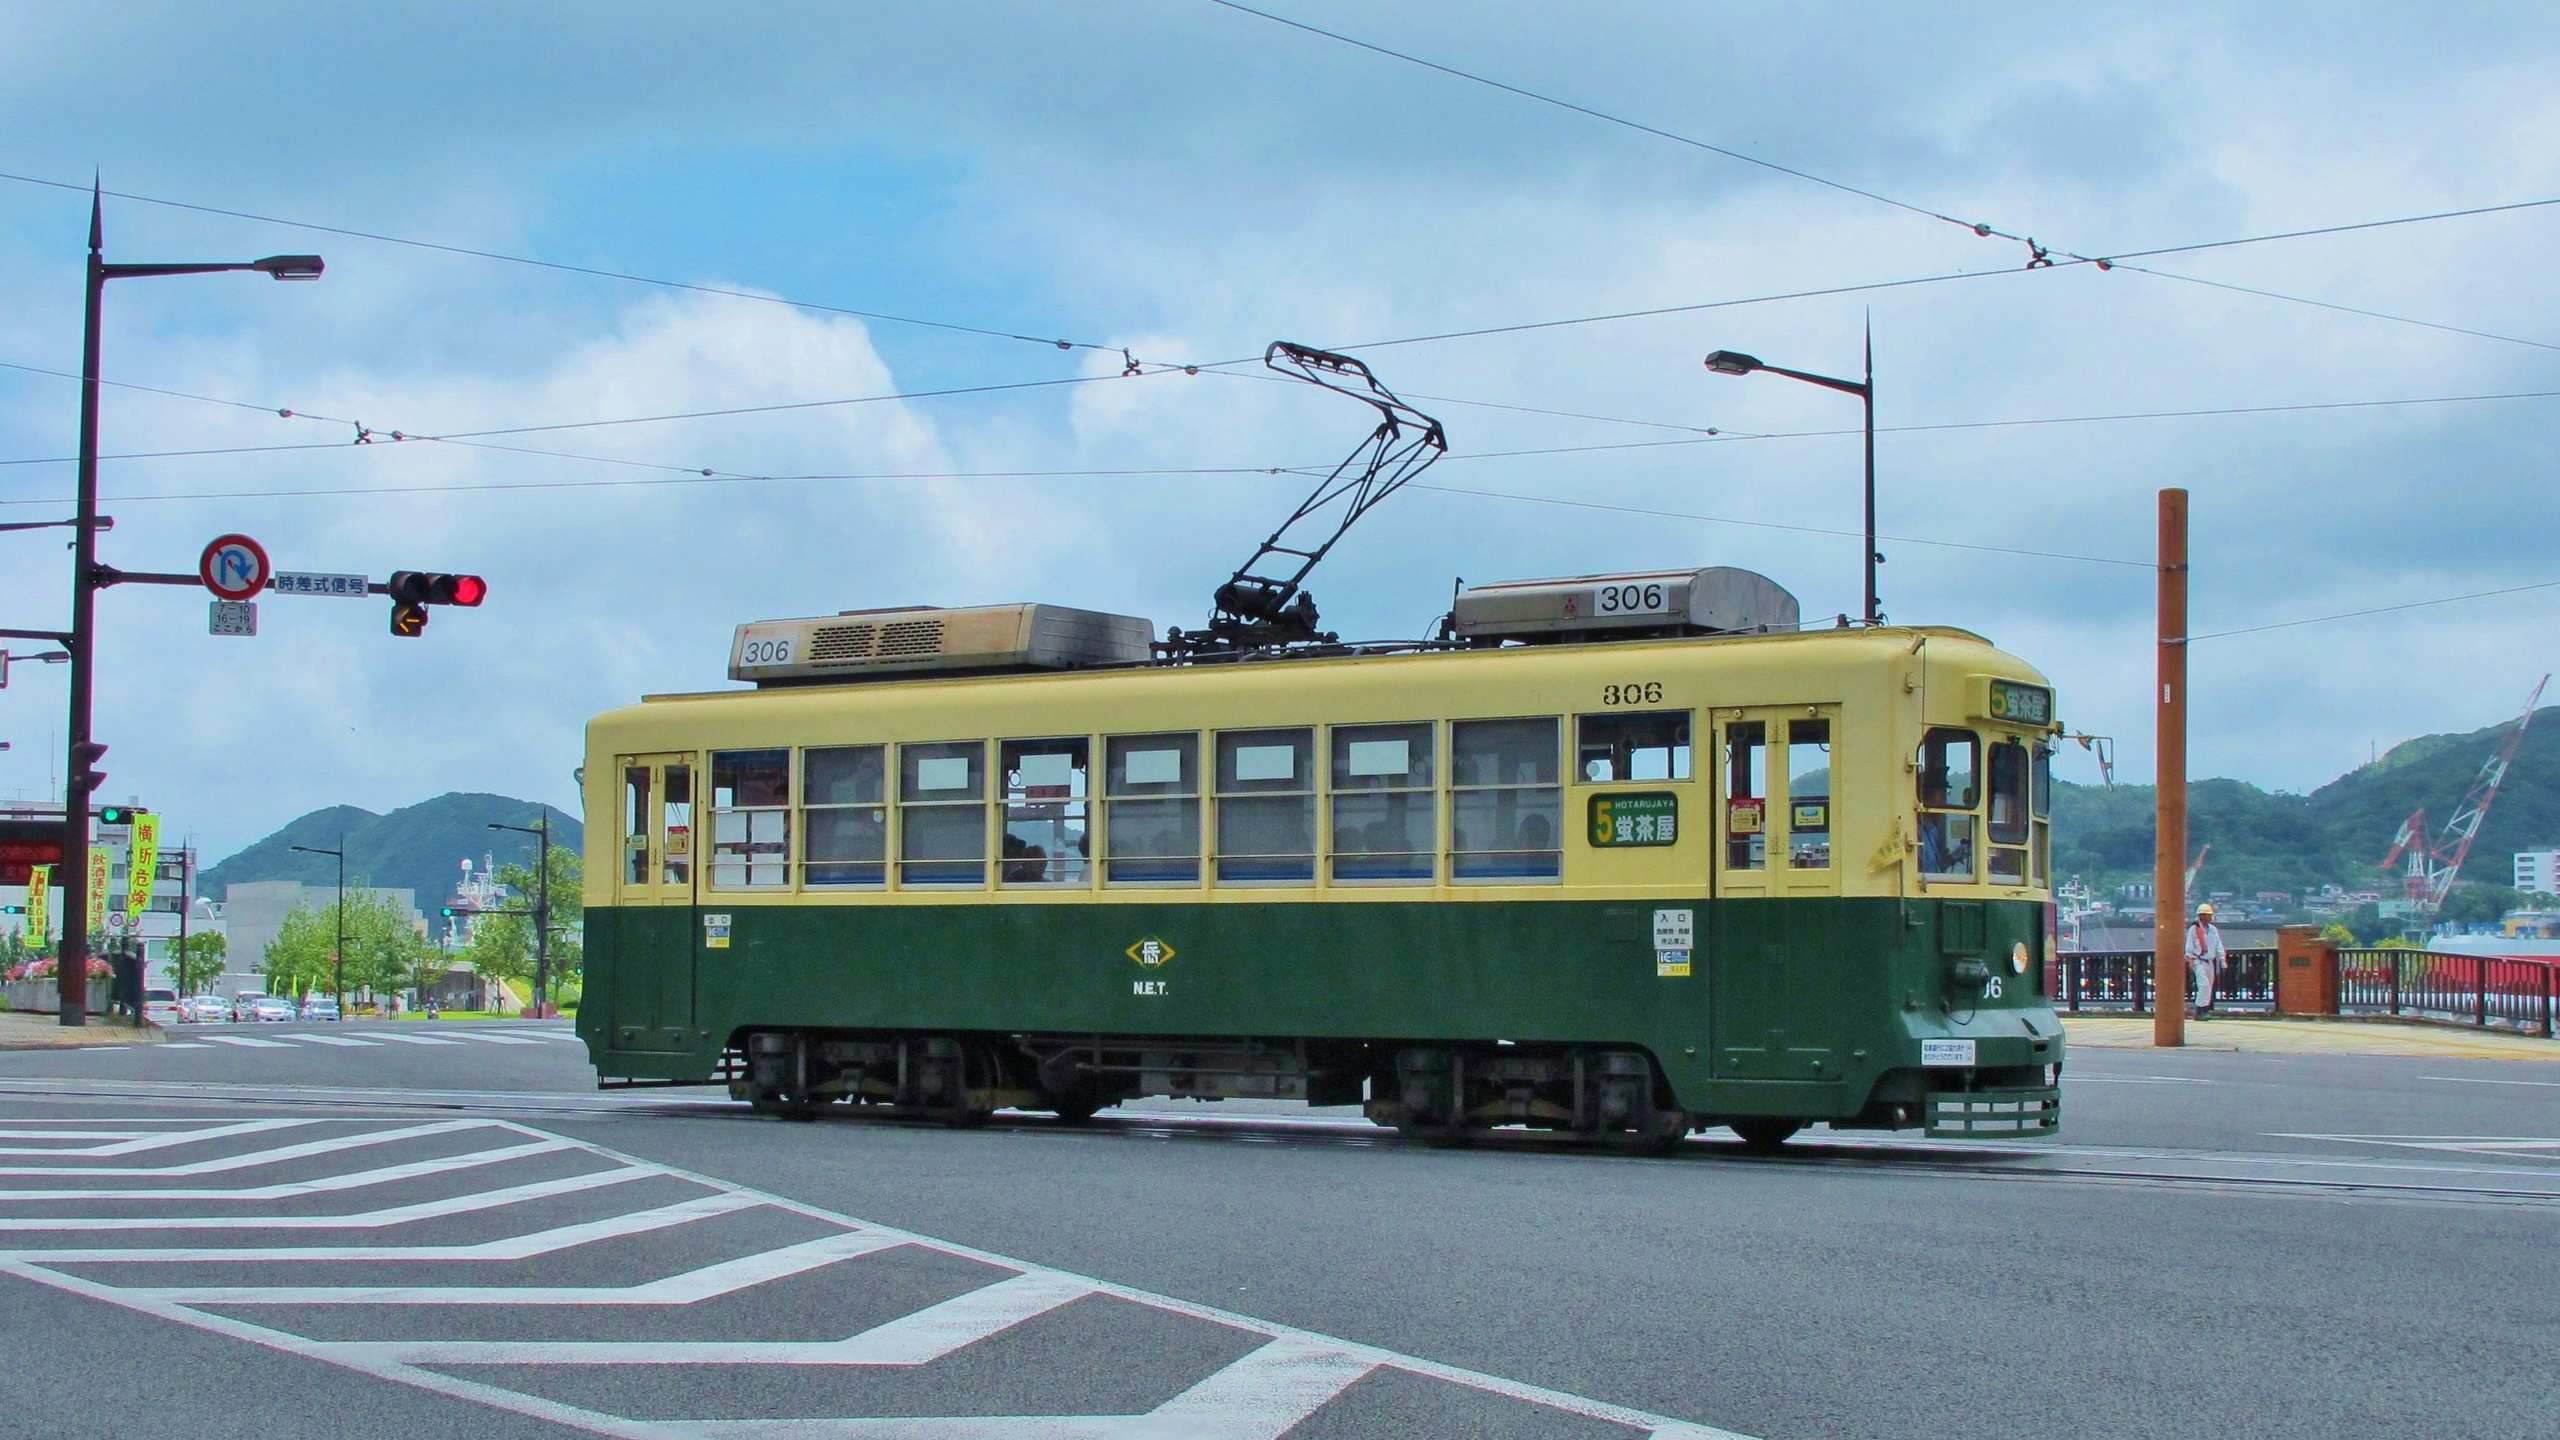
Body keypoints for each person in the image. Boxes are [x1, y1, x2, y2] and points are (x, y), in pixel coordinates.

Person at [2184, 902, 2226, 1018]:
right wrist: (2190, 958)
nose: (2209, 917)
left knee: (2209, 986)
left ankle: (2204, 1010)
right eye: (2206, 915)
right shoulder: (2194, 929)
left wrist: (2222, 959)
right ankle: (2199, 1010)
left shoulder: (2213, 930)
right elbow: (2189, 945)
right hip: (2198, 960)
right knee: (2203, 985)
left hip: (2209, 961)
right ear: (2200, 916)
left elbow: (2218, 945)